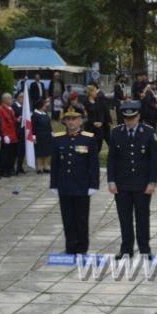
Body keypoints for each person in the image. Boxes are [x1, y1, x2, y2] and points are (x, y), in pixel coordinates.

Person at [107, 101, 157, 259]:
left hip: (142, 184)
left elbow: (154, 159)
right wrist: (111, 181)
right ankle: (126, 249)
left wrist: (152, 182)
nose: (129, 121)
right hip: (122, 184)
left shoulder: (149, 132)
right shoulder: (116, 132)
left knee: (142, 217)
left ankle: (144, 249)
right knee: (125, 218)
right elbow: (112, 159)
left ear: (138, 116)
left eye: (132, 118)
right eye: (126, 118)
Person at [50, 105, 100, 254]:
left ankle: (82, 246)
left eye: (74, 119)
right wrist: (54, 184)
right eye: (68, 119)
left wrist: (94, 184)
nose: (71, 122)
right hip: (64, 185)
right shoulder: (59, 139)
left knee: (81, 218)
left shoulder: (88, 139)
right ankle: (70, 245)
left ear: (80, 121)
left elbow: (94, 164)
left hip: (82, 185)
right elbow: (55, 164)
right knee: (67, 218)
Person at [32, 99, 53, 173]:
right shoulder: (35, 115)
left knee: (48, 151)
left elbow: (49, 124)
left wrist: (51, 132)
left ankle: (46, 166)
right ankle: (39, 167)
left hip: (47, 134)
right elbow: (33, 126)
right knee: (39, 151)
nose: (45, 106)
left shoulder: (45, 113)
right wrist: (33, 135)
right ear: (40, 106)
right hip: (39, 135)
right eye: (44, 105)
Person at [83, 84, 106, 152]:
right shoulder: (85, 102)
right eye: (95, 91)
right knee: (87, 145)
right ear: (90, 92)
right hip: (89, 126)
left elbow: (102, 113)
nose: (96, 93)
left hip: (99, 127)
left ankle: (95, 156)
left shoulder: (98, 101)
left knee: (98, 144)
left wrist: (101, 122)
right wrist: (93, 123)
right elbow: (85, 115)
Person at [11, 92, 26, 174]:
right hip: (17, 131)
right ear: (17, 98)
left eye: (24, 97)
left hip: (24, 130)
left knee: (22, 150)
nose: (23, 98)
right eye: (21, 97)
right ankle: (14, 167)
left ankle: (20, 166)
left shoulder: (24, 107)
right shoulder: (14, 106)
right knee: (16, 150)